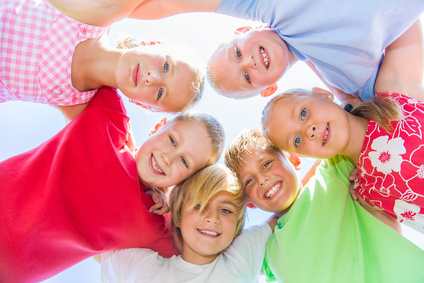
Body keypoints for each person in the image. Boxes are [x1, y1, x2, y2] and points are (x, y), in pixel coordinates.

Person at [0, 86, 224, 282]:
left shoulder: (151, 225)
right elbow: (96, 62)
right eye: (172, 140)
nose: (168, 157)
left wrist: (170, 207)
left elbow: (192, 260)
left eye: (184, 161)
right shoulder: (111, 120)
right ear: (158, 127)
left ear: (184, 181)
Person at [262, 21, 424, 233]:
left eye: (303, 113)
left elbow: (401, 14)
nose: (308, 130)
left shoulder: (392, 95)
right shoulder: (367, 194)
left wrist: (294, 41)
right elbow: (388, 250)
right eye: (297, 141)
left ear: (323, 94)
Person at [225, 128, 424, 283]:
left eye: (267, 164)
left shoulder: (332, 170)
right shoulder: (267, 248)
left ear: (293, 159)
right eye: (249, 181)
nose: (262, 179)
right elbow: (214, 257)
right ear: (248, 203)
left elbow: (354, 119)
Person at [132, 0, 424, 104]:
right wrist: (348, 98)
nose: (249, 61)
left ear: (242, 32)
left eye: (237, 54)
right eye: (247, 77)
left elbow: (170, 4)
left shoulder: (264, 5)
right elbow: (402, 99)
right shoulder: (347, 80)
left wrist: (99, 16)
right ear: (269, 87)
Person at [1, 0, 204, 121]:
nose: (153, 78)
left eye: (160, 93)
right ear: (153, 43)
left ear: (142, 105)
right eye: (166, 66)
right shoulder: (95, 15)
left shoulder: (75, 104)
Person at [100, 164, 279, 283]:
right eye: (199, 205)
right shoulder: (141, 267)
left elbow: (292, 207)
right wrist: (153, 188)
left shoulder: (242, 254)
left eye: (226, 210)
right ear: (178, 216)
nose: (212, 217)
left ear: (238, 225)